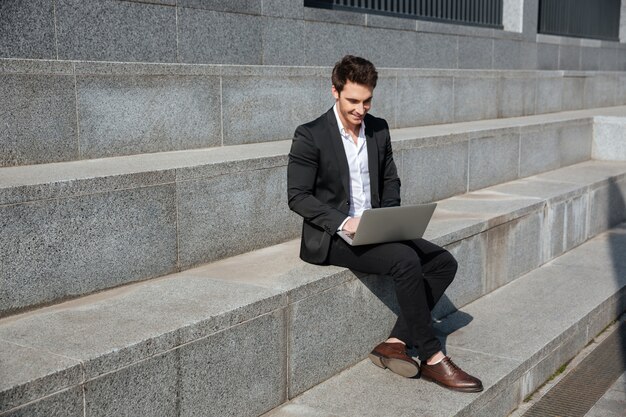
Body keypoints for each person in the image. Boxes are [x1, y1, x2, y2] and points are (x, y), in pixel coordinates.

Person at [287, 55, 483, 392]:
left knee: (442, 263)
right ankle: (433, 357)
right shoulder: (310, 135)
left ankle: (395, 343)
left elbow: (391, 182)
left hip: (376, 228)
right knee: (406, 261)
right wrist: (345, 222)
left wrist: (386, 219)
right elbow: (298, 196)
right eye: (353, 100)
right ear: (334, 91)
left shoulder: (379, 129)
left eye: (367, 101)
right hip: (333, 236)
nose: (361, 109)